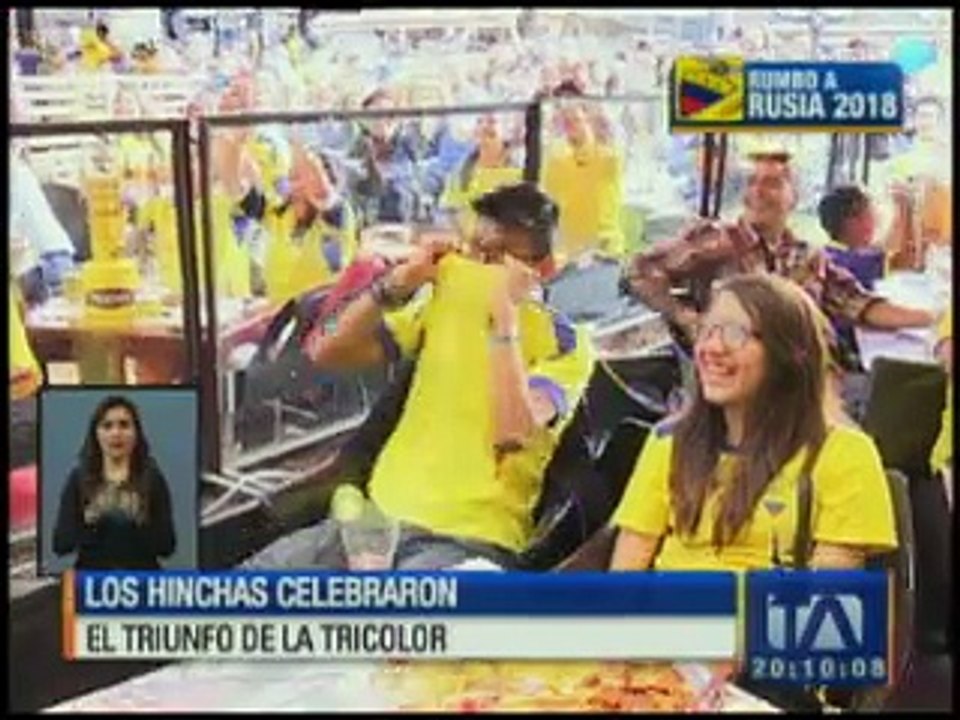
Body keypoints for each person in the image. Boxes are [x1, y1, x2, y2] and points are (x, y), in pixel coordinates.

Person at [243, 183, 593, 570]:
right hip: (373, 520)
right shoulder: (441, 306)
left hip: (464, 539)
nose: (476, 266)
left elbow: (512, 431)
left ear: (542, 269)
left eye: (495, 258)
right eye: (473, 251)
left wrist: (503, 319)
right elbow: (321, 347)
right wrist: (398, 283)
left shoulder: (566, 345)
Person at [610, 273, 897, 572]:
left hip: (773, 615)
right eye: (707, 331)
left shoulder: (844, 454)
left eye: (736, 333)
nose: (712, 348)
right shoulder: (669, 442)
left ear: (789, 355)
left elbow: (830, 602)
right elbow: (624, 582)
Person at [626, 153, 935, 371]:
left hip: (801, 381)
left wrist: (936, 319)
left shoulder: (806, 255)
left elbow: (858, 304)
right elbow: (638, 271)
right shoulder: (717, 241)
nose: (758, 191)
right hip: (741, 381)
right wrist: (685, 318)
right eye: (752, 182)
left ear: (794, 197)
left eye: (772, 183)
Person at [53, 396, 176, 570]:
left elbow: (167, 547)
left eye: (124, 425)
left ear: (136, 433)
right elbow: (60, 545)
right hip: (93, 582)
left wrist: (137, 521)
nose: (116, 433)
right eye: (107, 426)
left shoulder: (152, 478)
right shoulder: (78, 478)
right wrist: (93, 522)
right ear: (96, 433)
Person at [541, 85, 625, 261]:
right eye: (565, 120)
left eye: (574, 119)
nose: (569, 121)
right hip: (569, 252)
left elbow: (613, 136)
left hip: (604, 249)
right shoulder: (556, 158)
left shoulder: (607, 156)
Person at [439, 114, 523, 239]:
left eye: (492, 121)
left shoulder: (519, 173)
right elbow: (448, 211)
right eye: (479, 121)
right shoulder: (461, 171)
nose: (484, 126)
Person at [817, 185, 888, 291]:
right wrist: (903, 206)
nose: (876, 221)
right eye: (871, 214)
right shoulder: (853, 261)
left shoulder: (829, 252)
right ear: (852, 222)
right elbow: (899, 254)